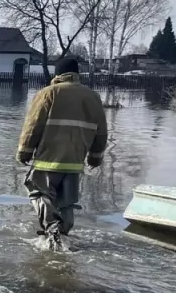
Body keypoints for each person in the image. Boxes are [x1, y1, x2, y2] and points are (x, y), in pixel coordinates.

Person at [16, 56, 108, 250]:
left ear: (57, 74)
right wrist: (95, 158)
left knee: (39, 192)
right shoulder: (93, 97)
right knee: (66, 203)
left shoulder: (48, 93)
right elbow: (101, 131)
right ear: (77, 74)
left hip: (47, 160)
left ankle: (52, 227)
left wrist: (24, 152)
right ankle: (63, 236)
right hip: (74, 163)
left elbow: (33, 126)